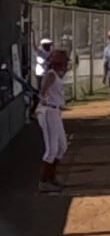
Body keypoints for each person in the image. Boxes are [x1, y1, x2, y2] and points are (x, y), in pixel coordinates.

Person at [35, 49, 69, 194]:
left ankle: (51, 178)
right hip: (48, 111)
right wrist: (42, 97)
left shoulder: (57, 74)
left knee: (62, 147)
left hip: (56, 112)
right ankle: (43, 182)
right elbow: (43, 91)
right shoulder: (50, 74)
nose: (65, 63)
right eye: (63, 60)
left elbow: (65, 70)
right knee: (52, 150)